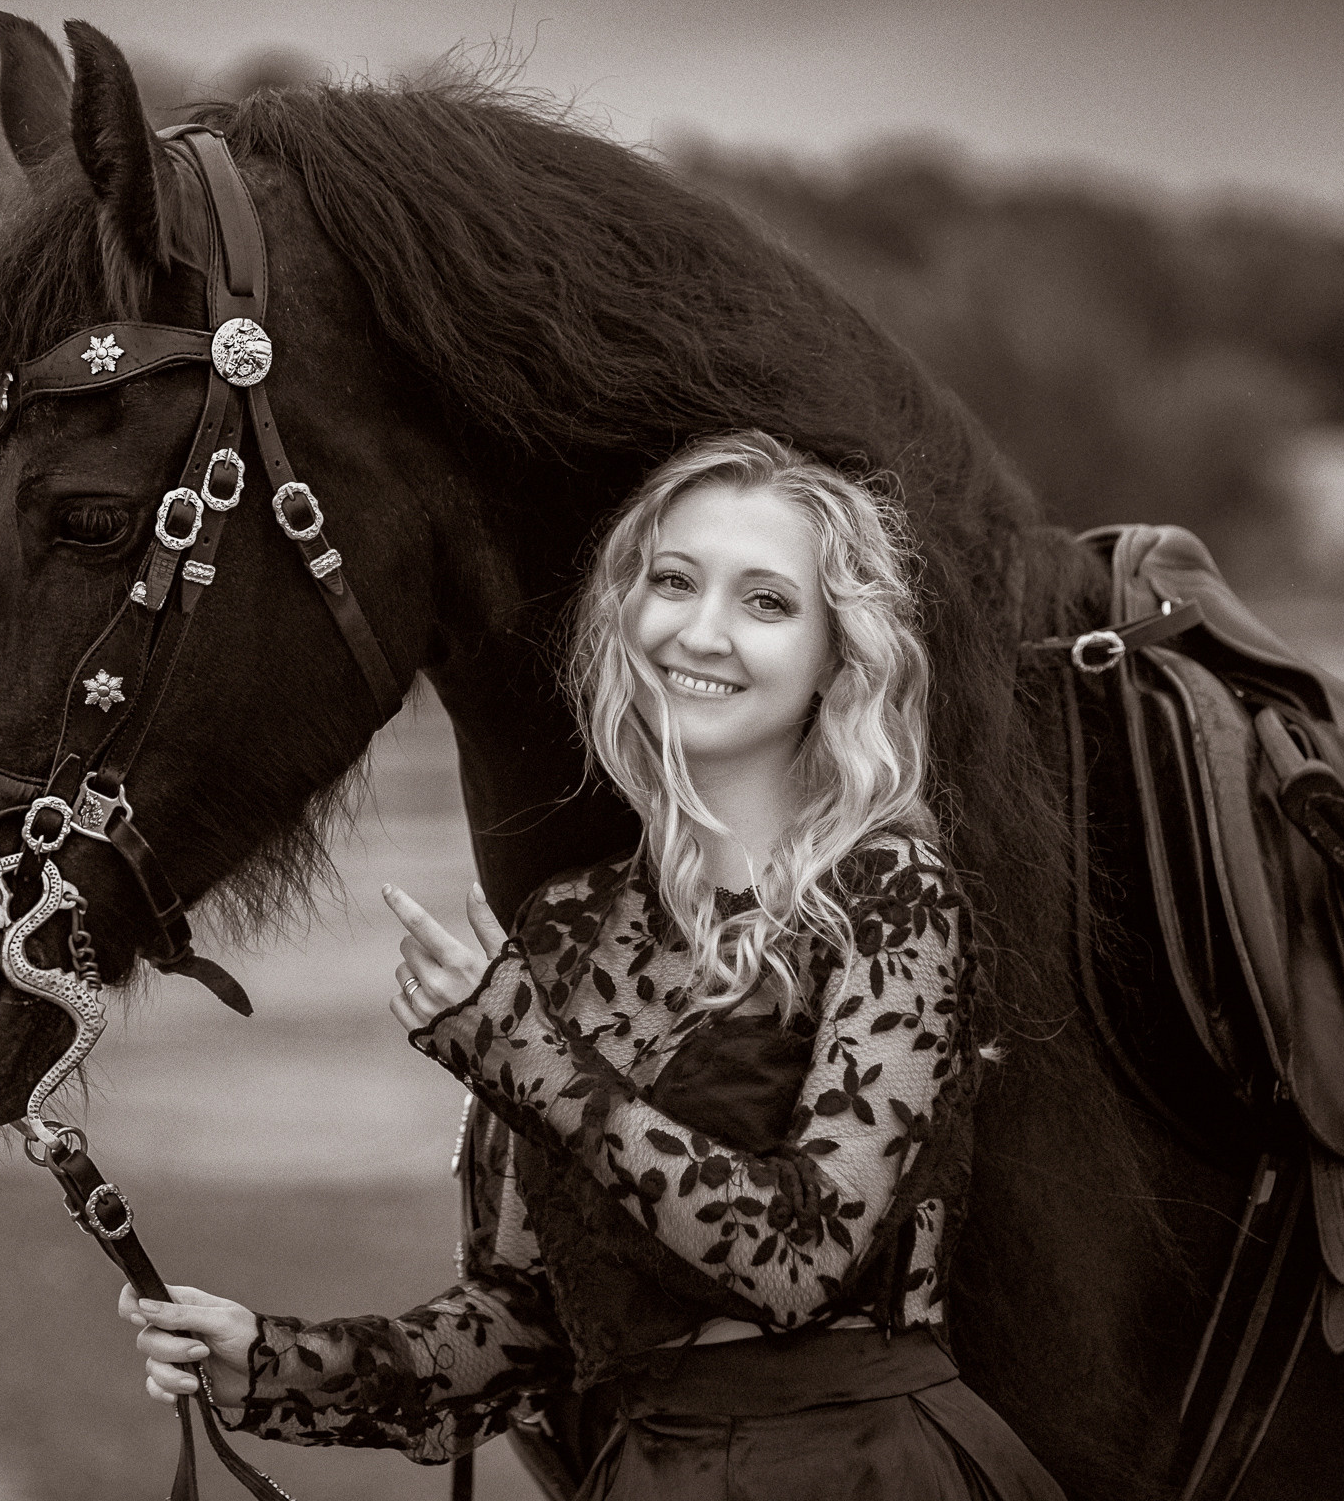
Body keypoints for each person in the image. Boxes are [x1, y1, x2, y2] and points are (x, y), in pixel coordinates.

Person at [116, 430, 1062, 1499]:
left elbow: (804, 1258)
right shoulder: (566, 928)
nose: (702, 630)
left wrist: (529, 1058)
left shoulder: (889, 891)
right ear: (625, 612)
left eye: (765, 601)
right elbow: (525, 1328)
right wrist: (273, 1360)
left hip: (862, 1468)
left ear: (838, 656)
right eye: (673, 581)